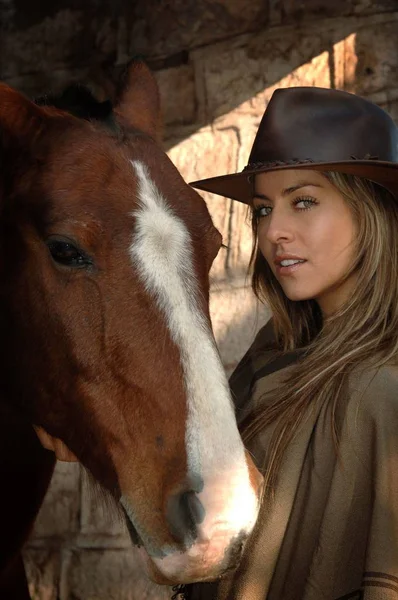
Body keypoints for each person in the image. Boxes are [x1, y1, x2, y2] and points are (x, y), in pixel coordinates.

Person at [181, 87, 398, 600]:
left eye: (303, 201)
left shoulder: (380, 390)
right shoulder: (266, 359)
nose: (274, 230)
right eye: (261, 210)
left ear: (372, 212)